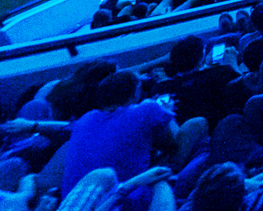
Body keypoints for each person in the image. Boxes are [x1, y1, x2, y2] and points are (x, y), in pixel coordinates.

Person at [60, 70, 209, 200]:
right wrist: (165, 113)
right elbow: (172, 145)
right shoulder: (147, 108)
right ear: (136, 91)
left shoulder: (84, 120)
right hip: (126, 196)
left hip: (75, 199)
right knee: (196, 124)